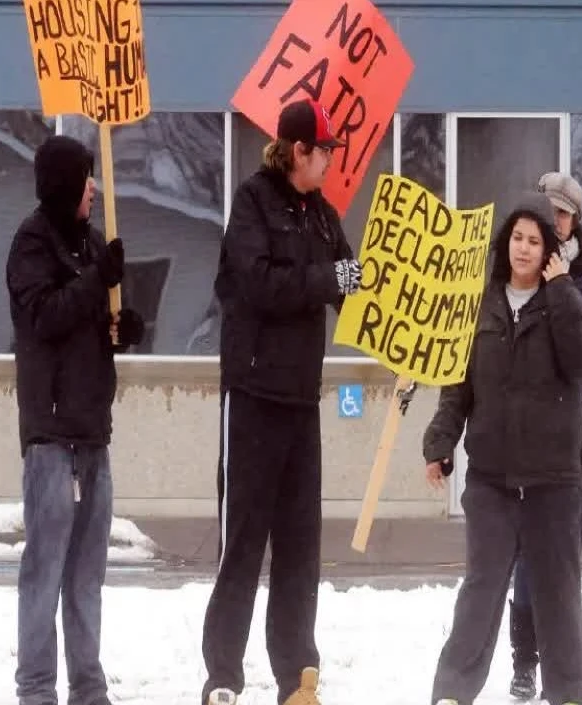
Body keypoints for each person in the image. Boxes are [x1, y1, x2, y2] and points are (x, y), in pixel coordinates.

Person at [199, 98, 361, 705]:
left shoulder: (322, 215)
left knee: (300, 542)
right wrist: (330, 281)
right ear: (299, 151)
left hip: (300, 400)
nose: (330, 162)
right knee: (243, 540)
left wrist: (404, 335)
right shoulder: (252, 203)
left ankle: (297, 675)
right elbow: (259, 285)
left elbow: (350, 284)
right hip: (252, 396)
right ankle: (223, 675)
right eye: (325, 152)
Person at [423, 191, 582, 705]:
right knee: (481, 592)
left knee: (559, 597)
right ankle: (453, 693)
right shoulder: (480, 306)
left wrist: (562, 288)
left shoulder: (567, 301)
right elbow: (458, 386)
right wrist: (440, 443)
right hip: (492, 482)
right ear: (506, 244)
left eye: (535, 240)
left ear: (549, 250)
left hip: (552, 483)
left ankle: (571, 695)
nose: (524, 249)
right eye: (517, 238)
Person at [7, 133, 146, 705]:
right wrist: (96, 283)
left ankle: (88, 688)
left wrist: (123, 329)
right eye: (86, 178)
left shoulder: (91, 246)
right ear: (64, 186)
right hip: (52, 438)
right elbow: (44, 317)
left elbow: (92, 319)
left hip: (93, 433)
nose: (94, 187)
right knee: (46, 572)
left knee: (88, 576)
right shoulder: (30, 245)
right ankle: (36, 689)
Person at [505, 172, 582, 701]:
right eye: (547, 212)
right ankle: (524, 660)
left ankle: (566, 658)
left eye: (563, 214)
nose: (553, 223)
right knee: (526, 558)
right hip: (528, 442)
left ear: (576, 221)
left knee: (564, 560)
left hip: (578, 446)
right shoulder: (517, 274)